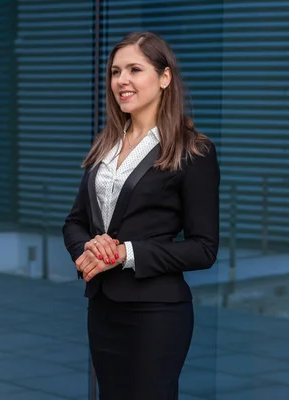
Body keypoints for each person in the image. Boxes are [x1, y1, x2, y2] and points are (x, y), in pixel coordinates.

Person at [62, 31, 220, 399]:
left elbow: (204, 249)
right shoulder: (107, 144)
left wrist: (124, 253)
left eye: (135, 69)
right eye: (116, 71)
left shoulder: (192, 150)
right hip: (103, 310)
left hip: (156, 314)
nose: (122, 81)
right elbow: (74, 222)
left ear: (164, 78)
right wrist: (91, 249)